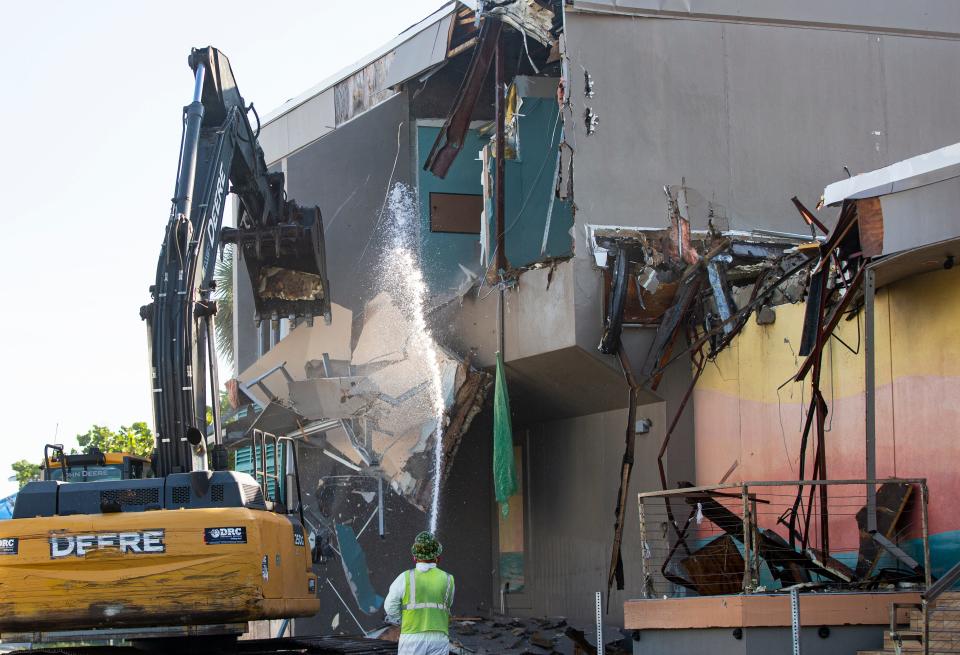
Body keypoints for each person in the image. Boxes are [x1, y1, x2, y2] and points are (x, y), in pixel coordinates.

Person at [384, 531, 455, 655]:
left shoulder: (405, 577)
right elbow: (447, 606)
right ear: (438, 558)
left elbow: (390, 606)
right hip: (439, 638)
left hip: (412, 638)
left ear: (414, 557)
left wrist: (401, 621)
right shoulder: (449, 579)